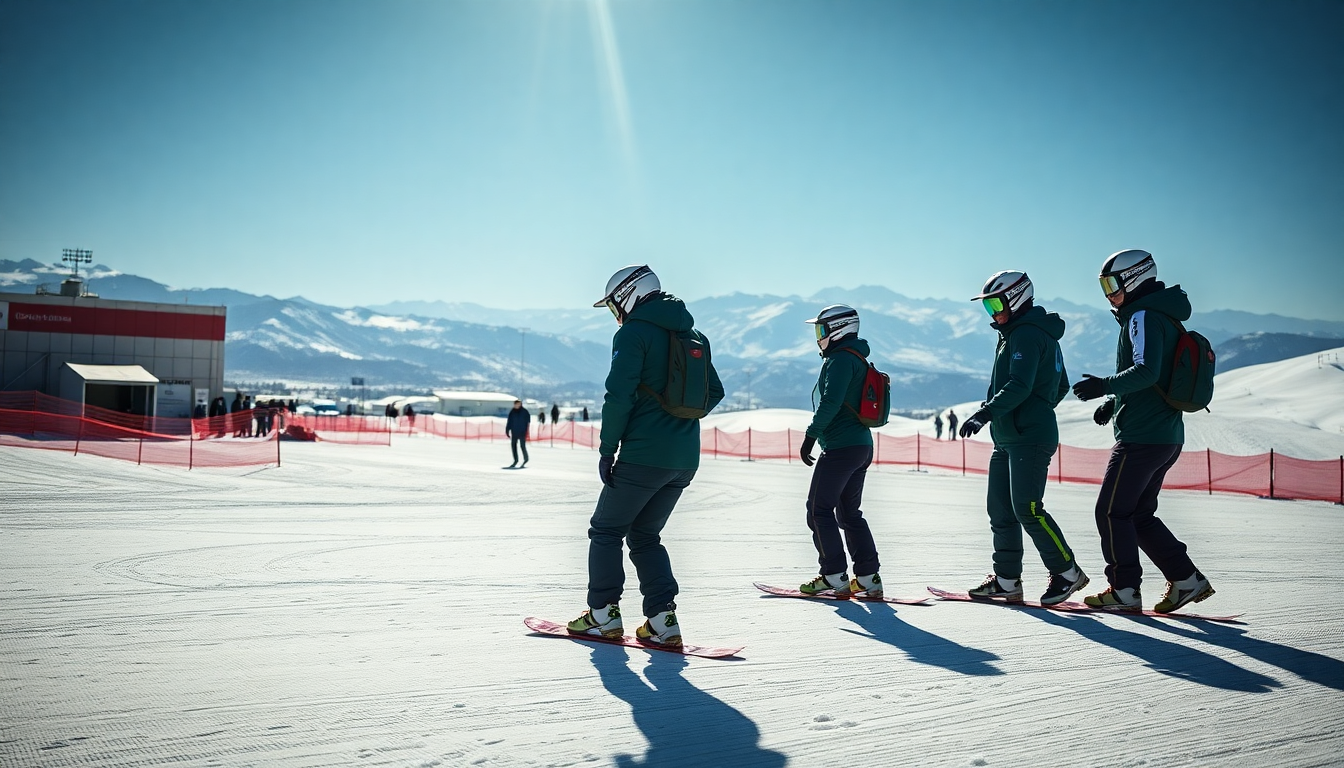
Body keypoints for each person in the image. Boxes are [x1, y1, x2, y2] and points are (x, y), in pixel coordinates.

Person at [567, 265, 724, 647]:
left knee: (605, 531)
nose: (615, 312)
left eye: (614, 304)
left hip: (643, 455)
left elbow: (617, 396)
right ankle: (661, 621)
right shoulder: (694, 335)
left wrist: (608, 449)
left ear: (629, 295)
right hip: (685, 458)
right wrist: (677, 415)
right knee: (645, 535)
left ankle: (603, 615)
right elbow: (714, 391)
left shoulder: (633, 333)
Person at [1072, 249, 1215, 613]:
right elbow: (1158, 375)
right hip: (1165, 435)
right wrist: (1115, 401)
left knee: (1110, 512)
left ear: (1134, 278)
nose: (1108, 293)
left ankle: (1123, 590)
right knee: (1137, 514)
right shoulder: (1162, 314)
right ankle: (1186, 580)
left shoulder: (1142, 314)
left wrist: (1104, 386)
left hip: (1142, 436)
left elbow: (1147, 371)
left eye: (1112, 283)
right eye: (1104, 285)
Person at [959, 271, 1088, 605]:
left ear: (1016, 297)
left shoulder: (1028, 333)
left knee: (1027, 508)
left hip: (1028, 437)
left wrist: (987, 413)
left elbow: (1019, 384)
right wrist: (1029, 409)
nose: (993, 312)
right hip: (1008, 436)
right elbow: (1058, 386)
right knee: (1000, 510)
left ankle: (1068, 572)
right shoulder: (1015, 333)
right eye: (988, 306)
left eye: (996, 303)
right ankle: (1006, 580)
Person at [796, 304, 884, 599]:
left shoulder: (840, 360)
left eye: (821, 329)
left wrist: (811, 436)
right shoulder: (856, 358)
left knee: (818, 510)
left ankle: (833, 576)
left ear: (838, 329)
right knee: (849, 514)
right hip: (861, 446)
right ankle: (868, 578)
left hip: (841, 448)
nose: (818, 336)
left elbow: (829, 404)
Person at [505, 399, 531, 468]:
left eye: (518, 404)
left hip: (522, 432)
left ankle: (526, 458)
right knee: (513, 446)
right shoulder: (512, 412)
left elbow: (528, 420)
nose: (517, 405)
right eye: (516, 404)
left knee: (522, 446)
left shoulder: (524, 411)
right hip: (514, 432)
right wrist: (507, 430)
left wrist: (526, 429)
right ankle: (515, 460)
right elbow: (509, 421)